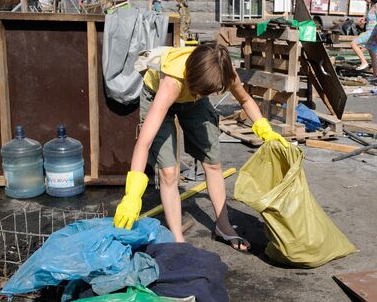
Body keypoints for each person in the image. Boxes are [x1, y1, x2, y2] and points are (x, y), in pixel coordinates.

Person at [113, 44, 289, 251]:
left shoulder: (223, 71)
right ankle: (178, 239)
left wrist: (265, 130)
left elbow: (245, 99)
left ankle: (223, 227)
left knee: (213, 164)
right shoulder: (172, 82)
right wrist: (132, 196)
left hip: (195, 97)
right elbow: (144, 142)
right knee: (169, 173)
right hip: (159, 94)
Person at [352, 0, 377, 74]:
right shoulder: (372, 6)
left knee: (354, 43)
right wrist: (364, 19)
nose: (365, 1)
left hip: (372, 32)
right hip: (371, 31)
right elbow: (371, 17)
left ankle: (364, 62)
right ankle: (376, 75)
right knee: (372, 53)